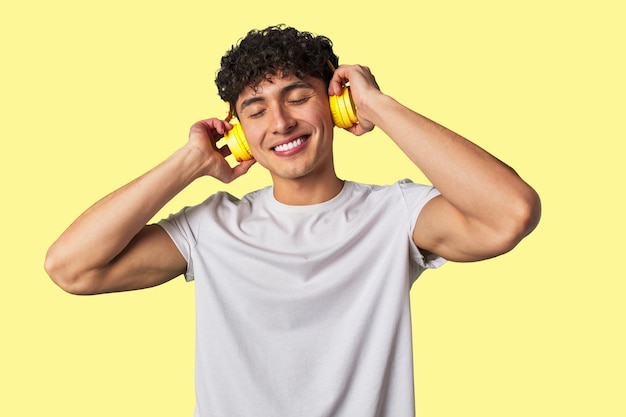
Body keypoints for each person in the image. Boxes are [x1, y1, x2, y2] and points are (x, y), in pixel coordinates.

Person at [45, 25, 541, 417]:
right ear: (239, 133)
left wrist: (377, 105)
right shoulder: (213, 227)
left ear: (335, 103)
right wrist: (190, 163)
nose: (280, 122)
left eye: (299, 97)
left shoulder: (396, 215)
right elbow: (71, 267)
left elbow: (510, 213)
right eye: (256, 111)